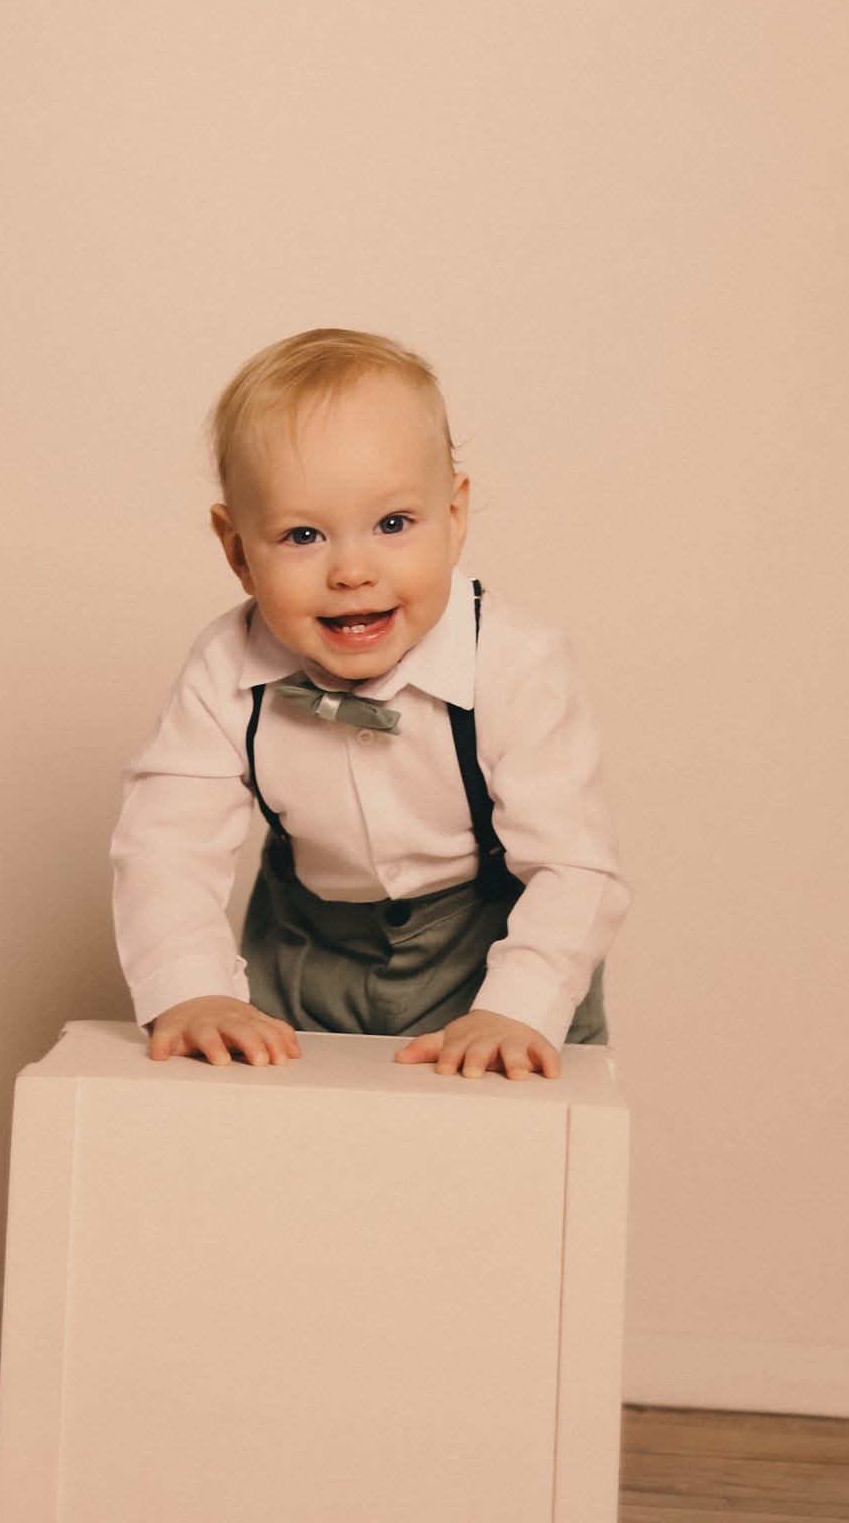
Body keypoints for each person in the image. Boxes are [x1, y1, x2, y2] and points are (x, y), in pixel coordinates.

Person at [111, 328, 630, 1081]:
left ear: (453, 517)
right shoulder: (225, 668)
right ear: (238, 551)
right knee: (286, 1127)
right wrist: (190, 990)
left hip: (495, 957)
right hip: (303, 955)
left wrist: (518, 1006)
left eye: (393, 524)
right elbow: (166, 846)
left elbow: (574, 867)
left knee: (509, 1129)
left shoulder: (514, 663)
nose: (352, 571)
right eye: (302, 535)